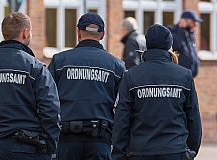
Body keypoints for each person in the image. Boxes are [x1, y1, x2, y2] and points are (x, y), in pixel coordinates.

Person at [0, 12, 60, 160]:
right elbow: (50, 111)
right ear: (25, 33)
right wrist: (50, 148)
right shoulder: (36, 68)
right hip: (29, 149)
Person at [112, 24, 202, 160]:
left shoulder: (131, 76)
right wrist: (191, 151)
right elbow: (193, 118)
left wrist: (119, 154)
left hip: (140, 151)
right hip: (175, 150)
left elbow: (122, 119)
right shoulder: (184, 75)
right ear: (169, 46)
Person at [47, 12, 125, 160]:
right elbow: (123, 106)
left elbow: (46, 100)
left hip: (66, 141)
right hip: (100, 140)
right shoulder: (116, 66)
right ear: (102, 35)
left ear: (78, 32)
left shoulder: (59, 61)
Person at [167, 10, 203, 77]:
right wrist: (181, 29)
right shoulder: (173, 31)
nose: (195, 25)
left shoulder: (190, 33)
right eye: (193, 22)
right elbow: (176, 45)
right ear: (185, 20)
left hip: (190, 75)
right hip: (179, 74)